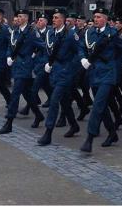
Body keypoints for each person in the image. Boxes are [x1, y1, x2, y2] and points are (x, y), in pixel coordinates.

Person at [78, 8, 122, 153]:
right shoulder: (89, 33)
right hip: (94, 73)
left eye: (99, 17)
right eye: (94, 16)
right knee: (103, 106)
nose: (95, 19)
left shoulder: (113, 34)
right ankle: (112, 133)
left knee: (97, 105)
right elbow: (81, 47)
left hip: (108, 73)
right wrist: (82, 58)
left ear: (106, 19)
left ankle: (89, 138)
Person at [37, 8, 81, 146]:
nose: (53, 20)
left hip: (65, 73)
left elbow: (79, 52)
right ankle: (74, 125)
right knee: (64, 102)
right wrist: (47, 64)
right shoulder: (50, 33)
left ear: (63, 19)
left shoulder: (70, 34)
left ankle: (48, 132)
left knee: (54, 100)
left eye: (56, 18)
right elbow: (48, 49)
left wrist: (70, 68)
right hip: (54, 72)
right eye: (53, 18)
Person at [0, 9, 46, 134]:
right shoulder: (15, 31)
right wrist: (9, 56)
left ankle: (9, 122)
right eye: (17, 16)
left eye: (20, 16)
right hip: (16, 65)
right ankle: (38, 115)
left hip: (25, 67)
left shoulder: (31, 32)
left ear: (25, 18)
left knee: (15, 94)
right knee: (28, 94)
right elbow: (11, 46)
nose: (17, 19)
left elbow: (44, 47)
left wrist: (37, 59)